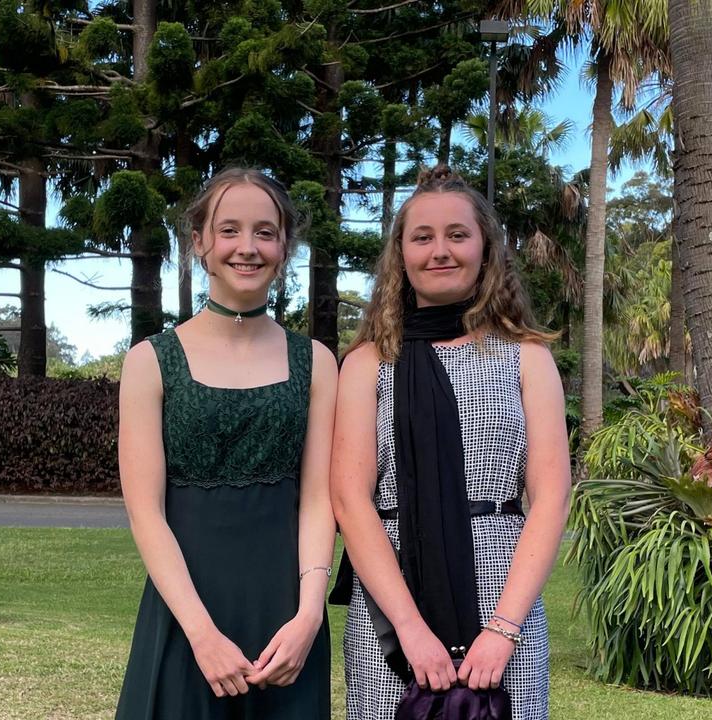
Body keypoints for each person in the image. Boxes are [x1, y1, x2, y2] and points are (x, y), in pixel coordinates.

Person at [330, 165, 572, 720]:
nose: (440, 251)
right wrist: (411, 630)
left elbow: (551, 498)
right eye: (423, 237)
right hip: (393, 606)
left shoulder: (527, 357)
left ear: (485, 250)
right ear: (401, 254)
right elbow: (350, 501)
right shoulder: (367, 363)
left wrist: (503, 629)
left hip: (503, 599)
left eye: (457, 235)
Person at [115, 167, 337, 720]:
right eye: (230, 229)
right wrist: (201, 633)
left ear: (285, 244)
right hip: (185, 616)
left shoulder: (317, 362)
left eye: (265, 231)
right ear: (199, 244)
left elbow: (317, 501)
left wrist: (310, 614)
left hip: (287, 621)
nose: (247, 247)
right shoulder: (150, 361)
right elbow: (146, 512)